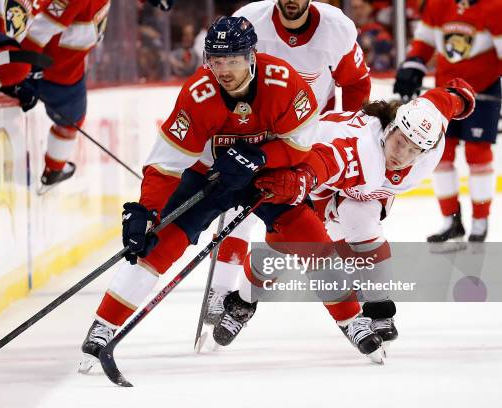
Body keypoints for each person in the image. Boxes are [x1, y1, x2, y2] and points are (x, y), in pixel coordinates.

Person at [78, 16, 386, 371]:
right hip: (210, 176)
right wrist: (144, 210)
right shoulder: (198, 93)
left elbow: (301, 146)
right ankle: (104, 326)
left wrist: (260, 157)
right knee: (158, 243)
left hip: (267, 175)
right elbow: (166, 163)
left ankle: (352, 319)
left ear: (252, 56)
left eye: (233, 60)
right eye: (216, 60)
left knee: (308, 234)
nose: (223, 70)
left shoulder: (284, 83)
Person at [226, 78, 476, 353]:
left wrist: (461, 96)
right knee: (281, 251)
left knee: (362, 223)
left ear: (425, 152)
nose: (401, 155)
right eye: (399, 141)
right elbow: (325, 161)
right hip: (316, 173)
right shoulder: (364, 148)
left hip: (362, 189)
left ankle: (379, 309)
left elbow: (444, 99)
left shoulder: (430, 132)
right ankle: (243, 302)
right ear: (391, 127)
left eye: (413, 150)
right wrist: (300, 179)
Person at [203, 0, 372, 330]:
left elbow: (356, 83)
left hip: (304, 136)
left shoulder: (336, 28)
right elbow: (218, 78)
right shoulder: (249, 20)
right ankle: (220, 290)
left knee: (321, 213)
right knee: (240, 211)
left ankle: (350, 282)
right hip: (251, 129)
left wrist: (340, 127)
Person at [0, 0, 173, 193]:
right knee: (12, 72)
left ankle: (53, 171)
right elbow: (38, 32)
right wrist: (26, 71)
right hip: (43, 64)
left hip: (67, 71)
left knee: (73, 119)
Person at [393, 0, 502, 243]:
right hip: (445, 92)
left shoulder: (495, 7)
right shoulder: (437, 3)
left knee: (477, 154)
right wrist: (414, 63)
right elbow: (426, 40)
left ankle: (480, 221)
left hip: (483, 91)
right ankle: (450, 220)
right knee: (440, 154)